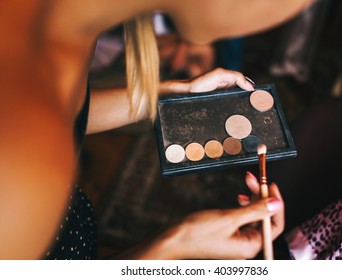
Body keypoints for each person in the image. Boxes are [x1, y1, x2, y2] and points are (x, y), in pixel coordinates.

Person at [0, 0, 315, 259]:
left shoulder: (60, 32)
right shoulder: (21, 160)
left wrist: (176, 91)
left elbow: (71, 114)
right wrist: (174, 246)